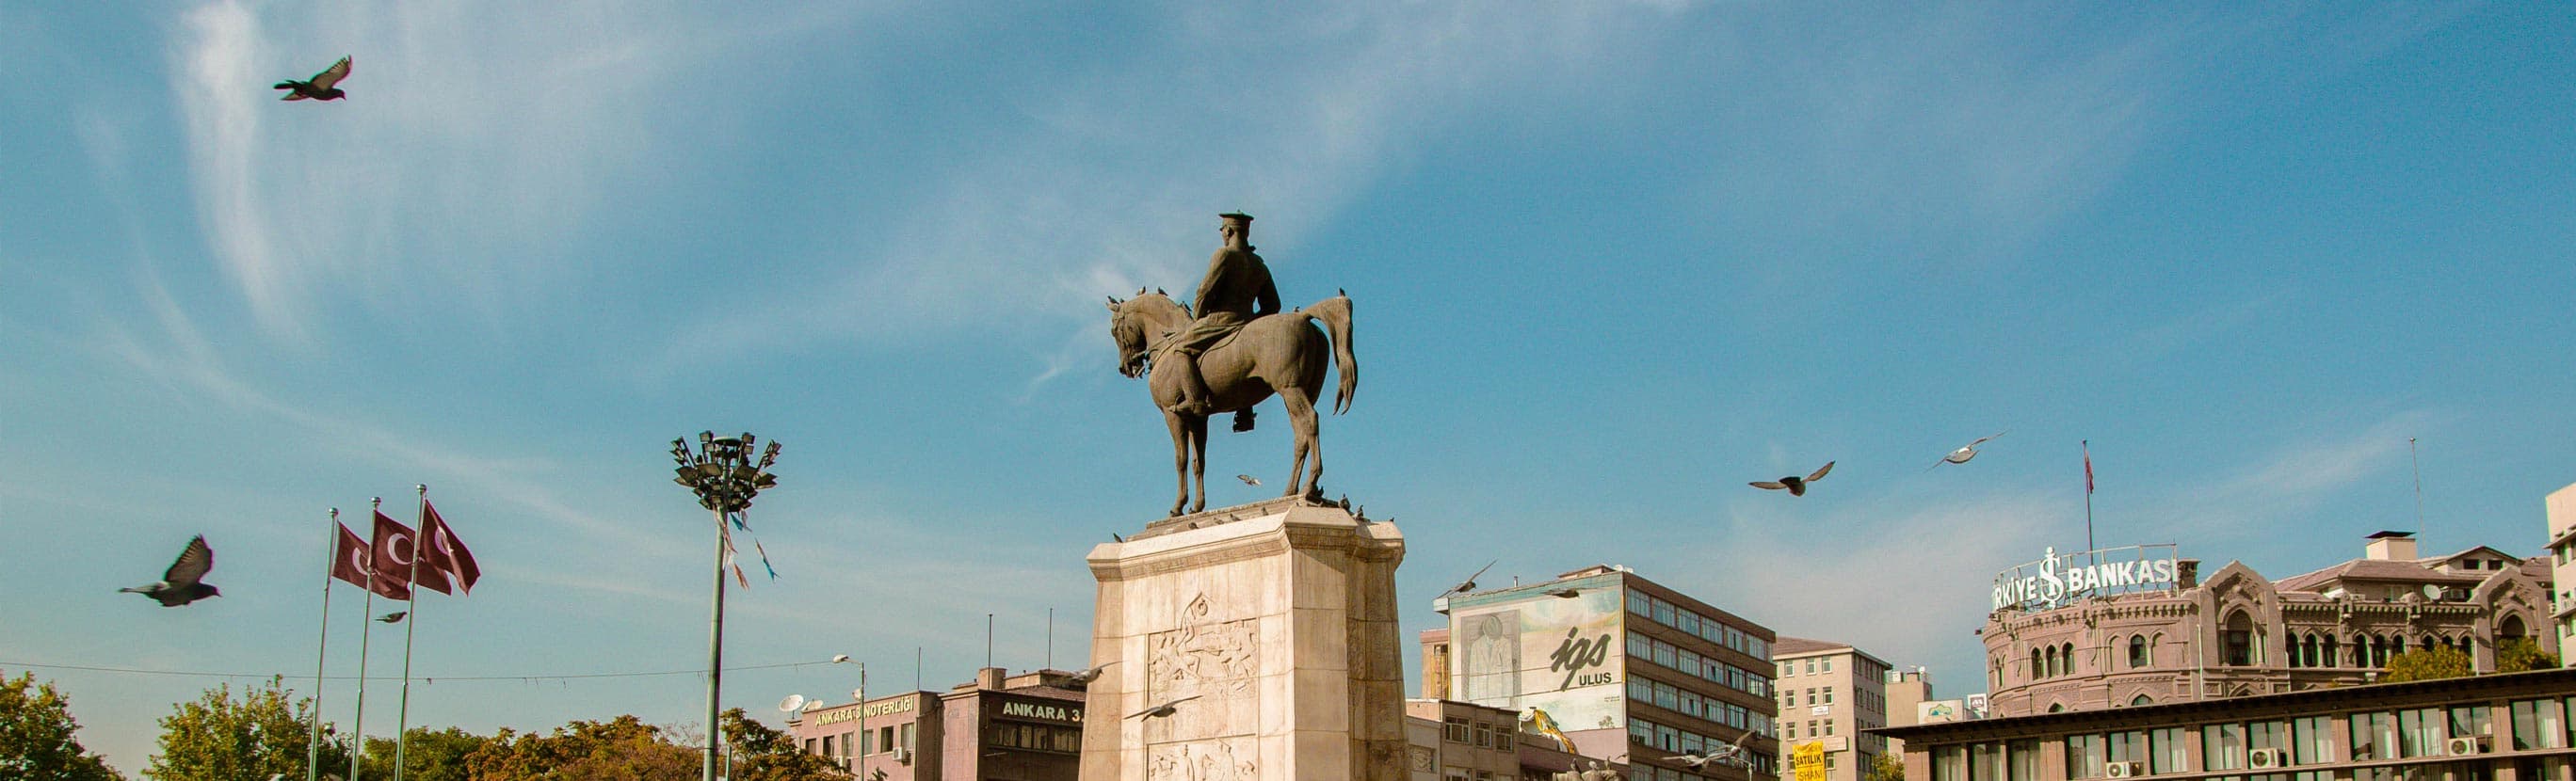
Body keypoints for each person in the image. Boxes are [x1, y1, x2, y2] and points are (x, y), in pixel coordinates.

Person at [1167, 212, 1280, 417]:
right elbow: (1273, 305)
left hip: (1221, 320)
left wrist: (1198, 318)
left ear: (1228, 231)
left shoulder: (1224, 255)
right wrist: (1253, 320)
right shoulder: (1258, 264)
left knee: (1181, 349)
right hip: (1247, 321)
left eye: (1222, 230)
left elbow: (1205, 291)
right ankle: (1245, 414)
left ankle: (1196, 402)